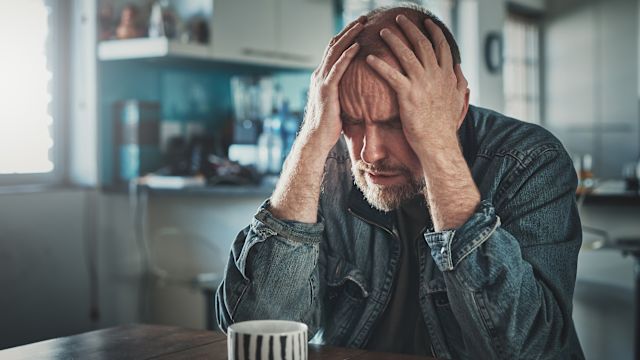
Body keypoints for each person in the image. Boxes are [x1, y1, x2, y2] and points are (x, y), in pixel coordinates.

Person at [216, 4, 584, 359]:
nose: (370, 153)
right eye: (352, 121)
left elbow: (533, 350)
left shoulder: (530, 161)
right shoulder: (330, 166)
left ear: (456, 108)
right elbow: (257, 329)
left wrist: (438, 149)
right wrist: (311, 140)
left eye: (397, 123)